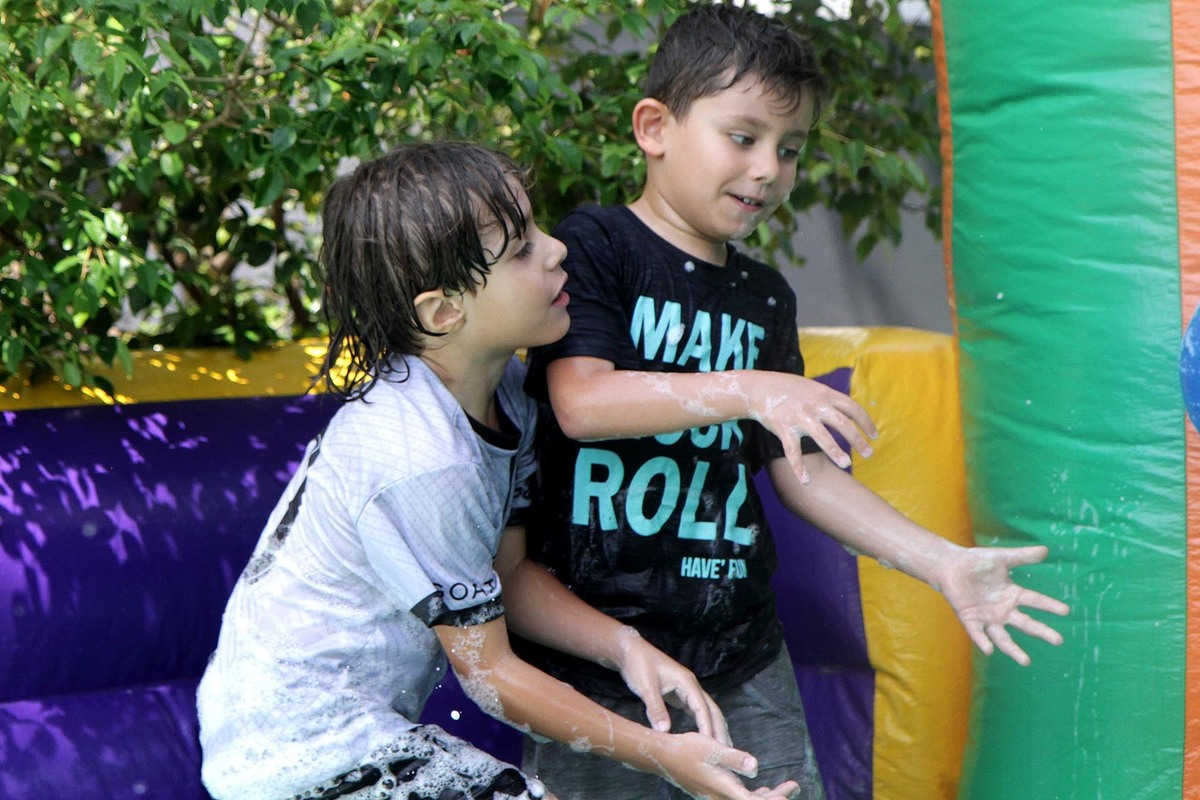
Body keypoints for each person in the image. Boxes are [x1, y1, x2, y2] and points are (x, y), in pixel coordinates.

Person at [517, 5, 1072, 799]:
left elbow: (802, 474)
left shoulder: (764, 298)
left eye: (790, 149)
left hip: (740, 649)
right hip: (596, 657)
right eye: (743, 137)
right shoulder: (599, 246)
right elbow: (582, 402)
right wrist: (750, 387)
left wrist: (938, 560)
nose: (769, 169)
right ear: (654, 127)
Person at [195, 141, 802, 800]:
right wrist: (660, 754)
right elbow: (490, 676)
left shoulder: (506, 394)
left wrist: (625, 646)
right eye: (520, 250)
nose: (557, 250)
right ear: (443, 312)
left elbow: (508, 576)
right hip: (295, 753)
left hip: (355, 732)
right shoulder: (419, 457)